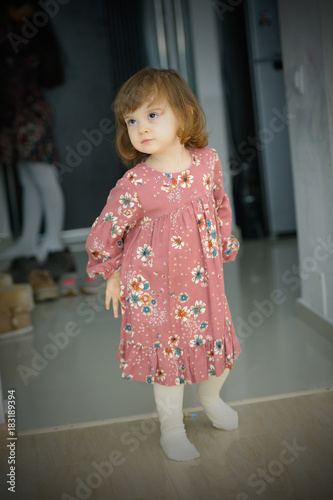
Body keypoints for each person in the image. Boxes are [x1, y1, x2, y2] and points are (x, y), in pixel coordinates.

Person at [86, 67, 241, 461]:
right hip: (155, 292)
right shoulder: (136, 183)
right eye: (132, 120)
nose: (141, 127)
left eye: (152, 115)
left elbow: (220, 204)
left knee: (216, 350)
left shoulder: (207, 162)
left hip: (204, 284)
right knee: (168, 364)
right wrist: (112, 272)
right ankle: (171, 428)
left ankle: (211, 400)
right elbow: (106, 230)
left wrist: (224, 240)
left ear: (184, 113)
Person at [0, 0, 75, 284]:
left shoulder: (26, 38)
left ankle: (54, 242)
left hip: (30, 112)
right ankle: (30, 240)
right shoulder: (16, 33)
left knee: (43, 174)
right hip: (15, 114)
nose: (14, 10)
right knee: (27, 176)